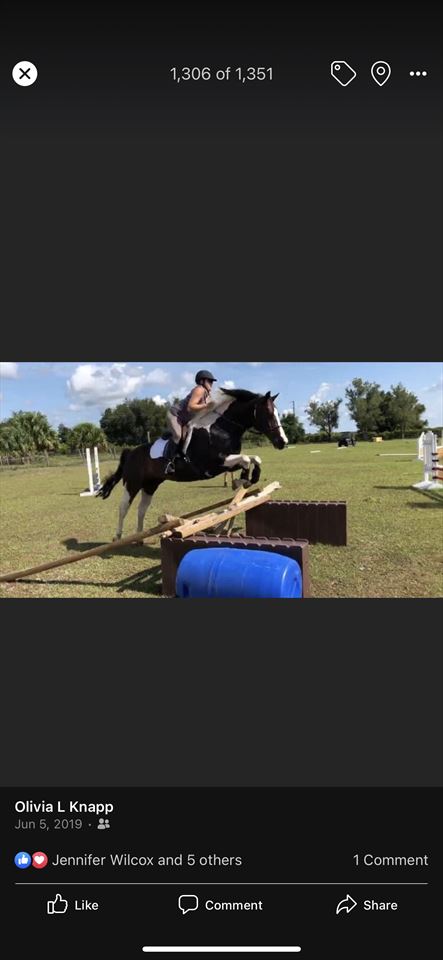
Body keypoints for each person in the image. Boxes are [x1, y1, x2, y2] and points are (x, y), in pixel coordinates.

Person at [165, 370, 217, 474]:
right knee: (178, 436)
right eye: (209, 381)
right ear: (202, 381)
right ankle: (168, 463)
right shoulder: (199, 389)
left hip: (186, 420)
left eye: (212, 381)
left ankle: (183, 457)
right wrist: (207, 406)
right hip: (175, 415)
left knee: (192, 437)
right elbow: (190, 407)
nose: (211, 383)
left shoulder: (207, 395)